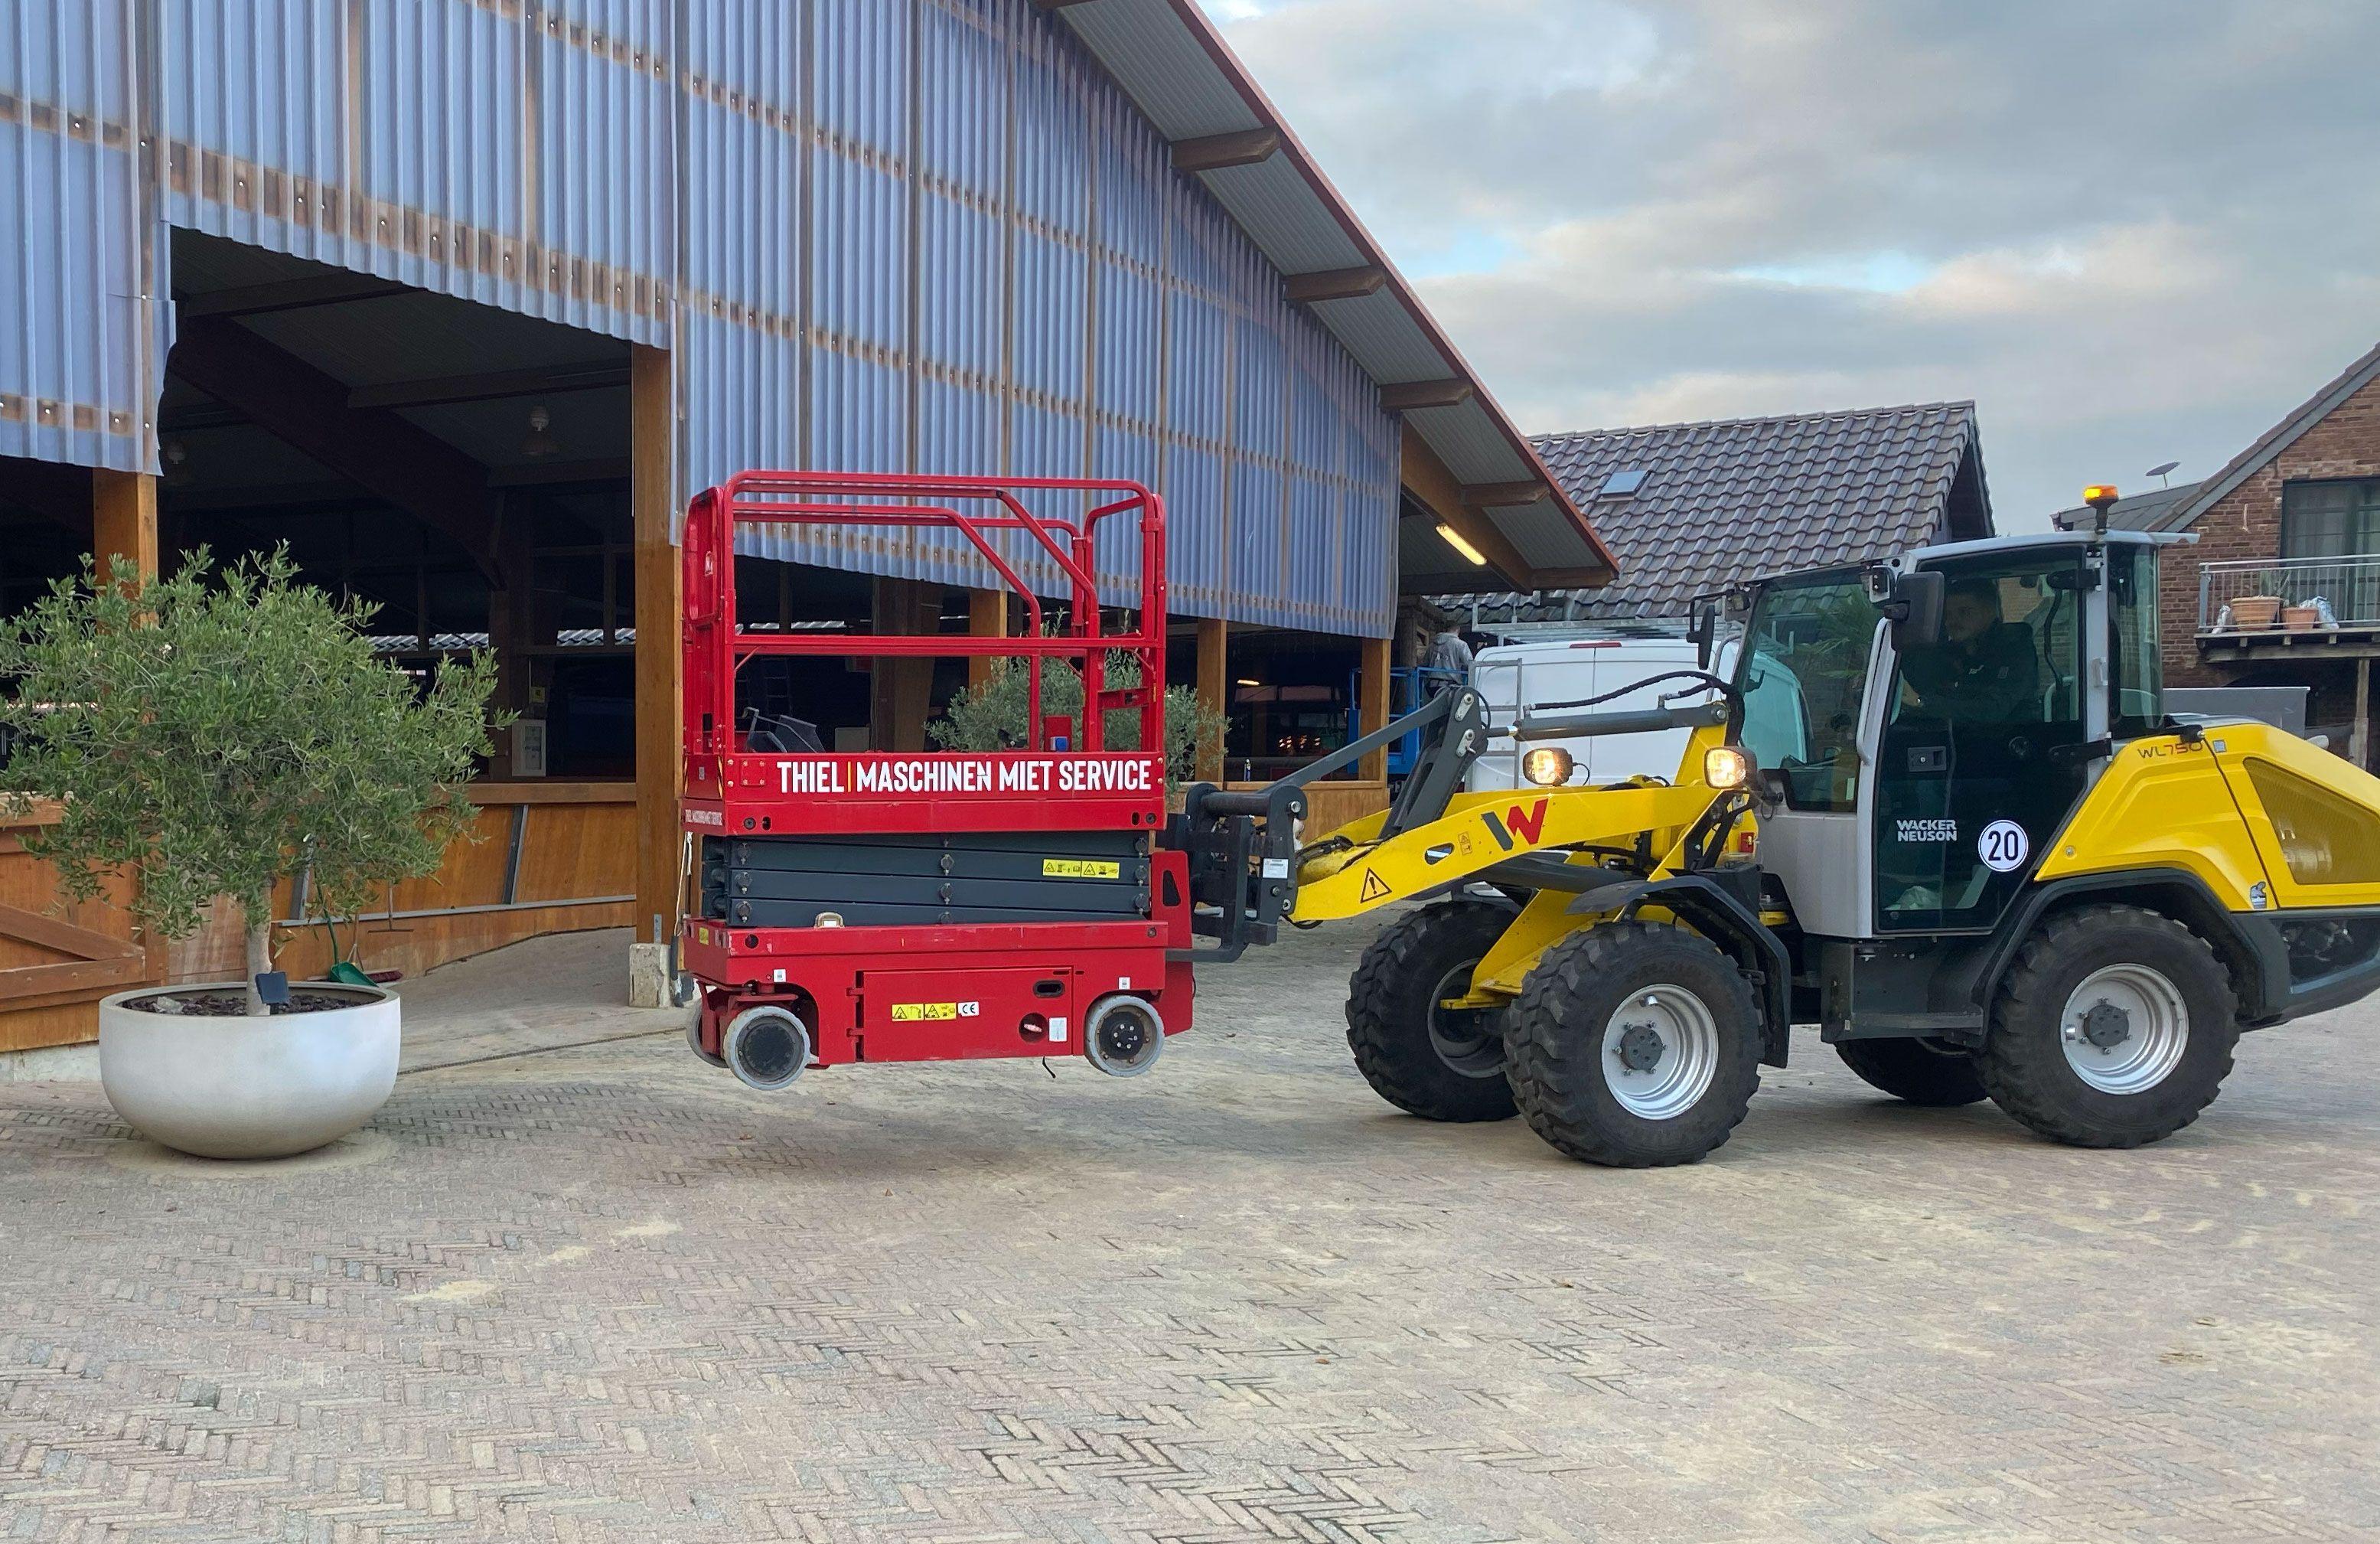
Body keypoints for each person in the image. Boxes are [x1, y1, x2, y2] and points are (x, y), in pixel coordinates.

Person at [1898, 576, 2039, 722]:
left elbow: (1994, 708)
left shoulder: (2015, 650)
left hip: (2012, 737)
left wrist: (1922, 703)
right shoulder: (1947, 652)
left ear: (1989, 611)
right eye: (1948, 615)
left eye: (1964, 612)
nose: (1952, 622)